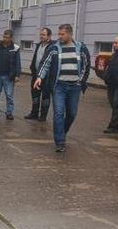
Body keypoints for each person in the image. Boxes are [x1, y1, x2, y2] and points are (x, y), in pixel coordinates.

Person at [34, 24, 91, 152]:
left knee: (71, 113)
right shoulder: (54, 48)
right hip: (59, 85)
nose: (59, 37)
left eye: (62, 34)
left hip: (74, 86)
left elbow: (86, 65)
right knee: (58, 113)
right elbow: (45, 63)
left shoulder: (81, 47)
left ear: (70, 34)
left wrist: (80, 81)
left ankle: (62, 131)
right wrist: (39, 77)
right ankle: (60, 142)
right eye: (58, 34)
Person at [0, 30, 21, 120]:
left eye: (7, 37)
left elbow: (18, 62)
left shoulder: (15, 48)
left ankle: (9, 113)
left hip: (9, 76)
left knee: (9, 95)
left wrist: (17, 75)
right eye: (4, 37)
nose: (5, 39)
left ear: (11, 38)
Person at [25, 28, 53, 121]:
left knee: (45, 96)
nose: (41, 36)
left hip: (47, 76)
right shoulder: (38, 45)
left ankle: (43, 116)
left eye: (44, 35)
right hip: (35, 75)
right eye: (41, 34)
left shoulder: (52, 47)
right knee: (35, 95)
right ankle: (34, 113)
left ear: (49, 36)